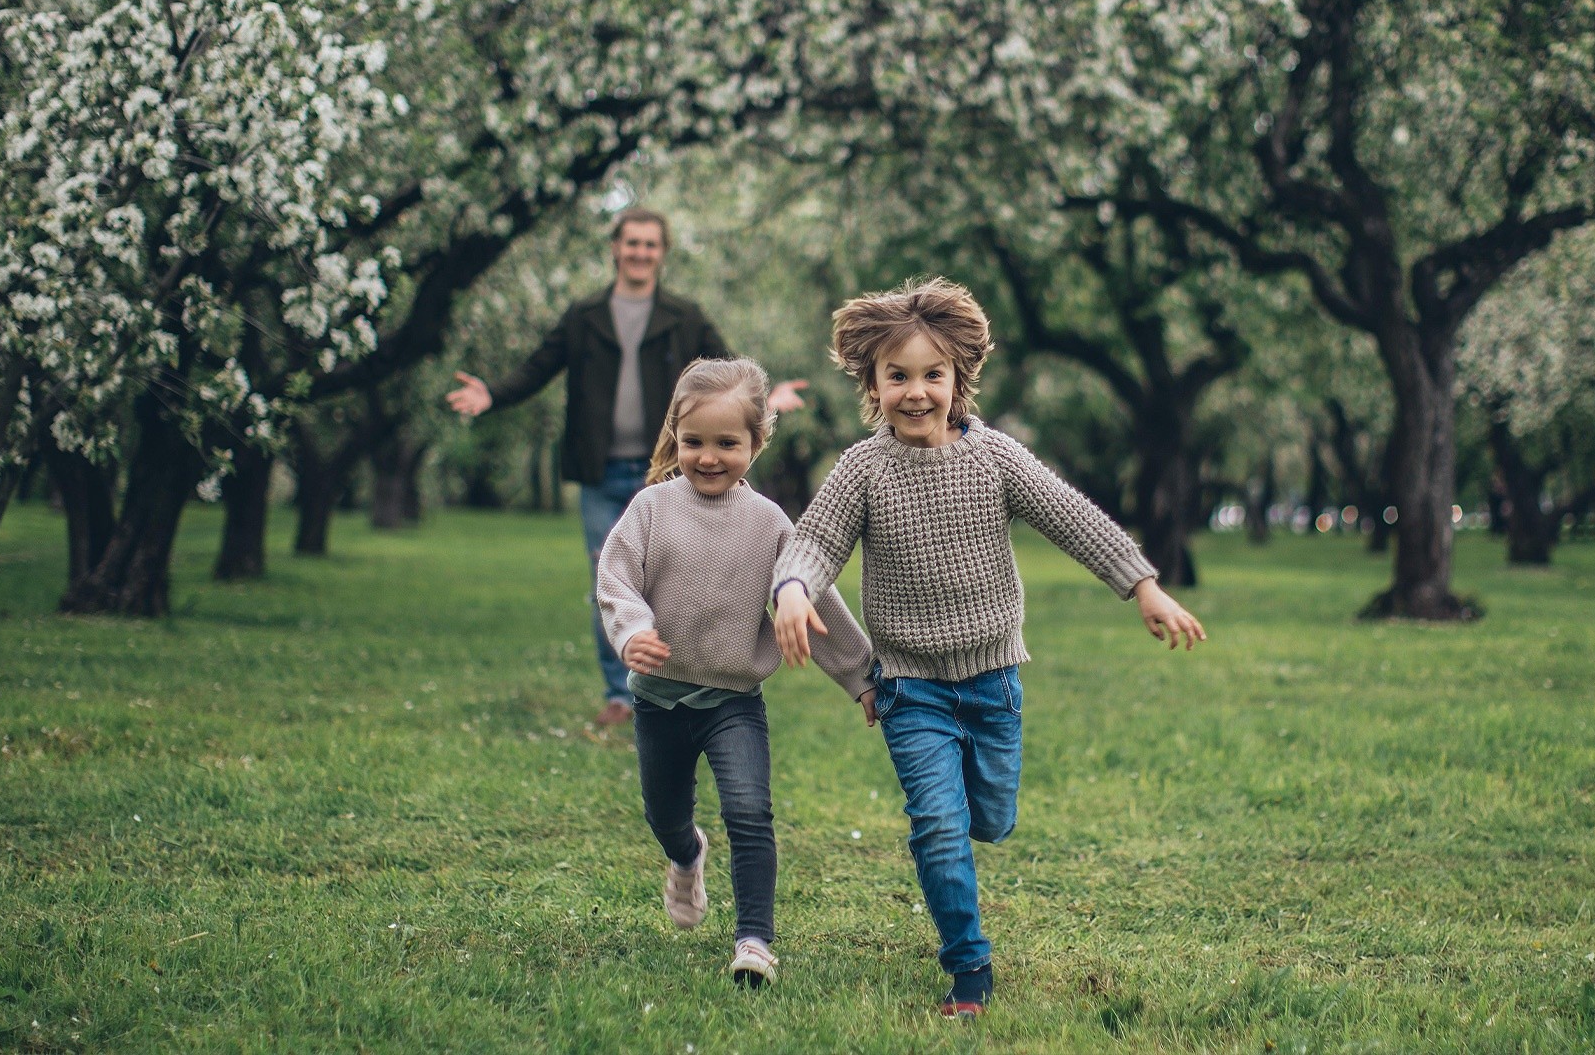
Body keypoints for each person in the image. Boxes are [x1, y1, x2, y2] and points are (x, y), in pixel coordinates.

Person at [769, 276, 1205, 1019]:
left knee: (990, 819)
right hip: (910, 686)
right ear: (873, 384)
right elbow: (813, 541)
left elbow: (1074, 519)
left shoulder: (995, 457)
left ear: (958, 378)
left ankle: (973, 826)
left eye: (931, 375)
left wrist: (1144, 586)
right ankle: (969, 968)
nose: (915, 392)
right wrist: (793, 588)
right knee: (937, 824)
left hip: (994, 679)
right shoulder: (861, 469)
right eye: (897, 375)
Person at [446, 208, 803, 727]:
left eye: (650, 245)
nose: (640, 252)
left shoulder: (684, 315)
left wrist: (769, 401)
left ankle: (679, 682)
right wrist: (491, 394)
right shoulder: (584, 314)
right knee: (608, 576)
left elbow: (731, 375)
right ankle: (622, 693)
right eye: (631, 243)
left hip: (667, 467)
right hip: (601, 469)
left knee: (668, 578)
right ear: (615, 248)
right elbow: (538, 367)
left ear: (662, 252)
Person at [596, 357, 873, 987]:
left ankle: (754, 942)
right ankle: (688, 855)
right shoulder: (650, 509)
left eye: (728, 443)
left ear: (756, 442)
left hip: (732, 702)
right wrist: (634, 631)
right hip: (659, 701)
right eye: (694, 442)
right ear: (675, 438)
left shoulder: (770, 523)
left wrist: (862, 677)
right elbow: (616, 580)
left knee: (749, 812)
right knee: (664, 815)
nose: (709, 457)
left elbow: (818, 601)